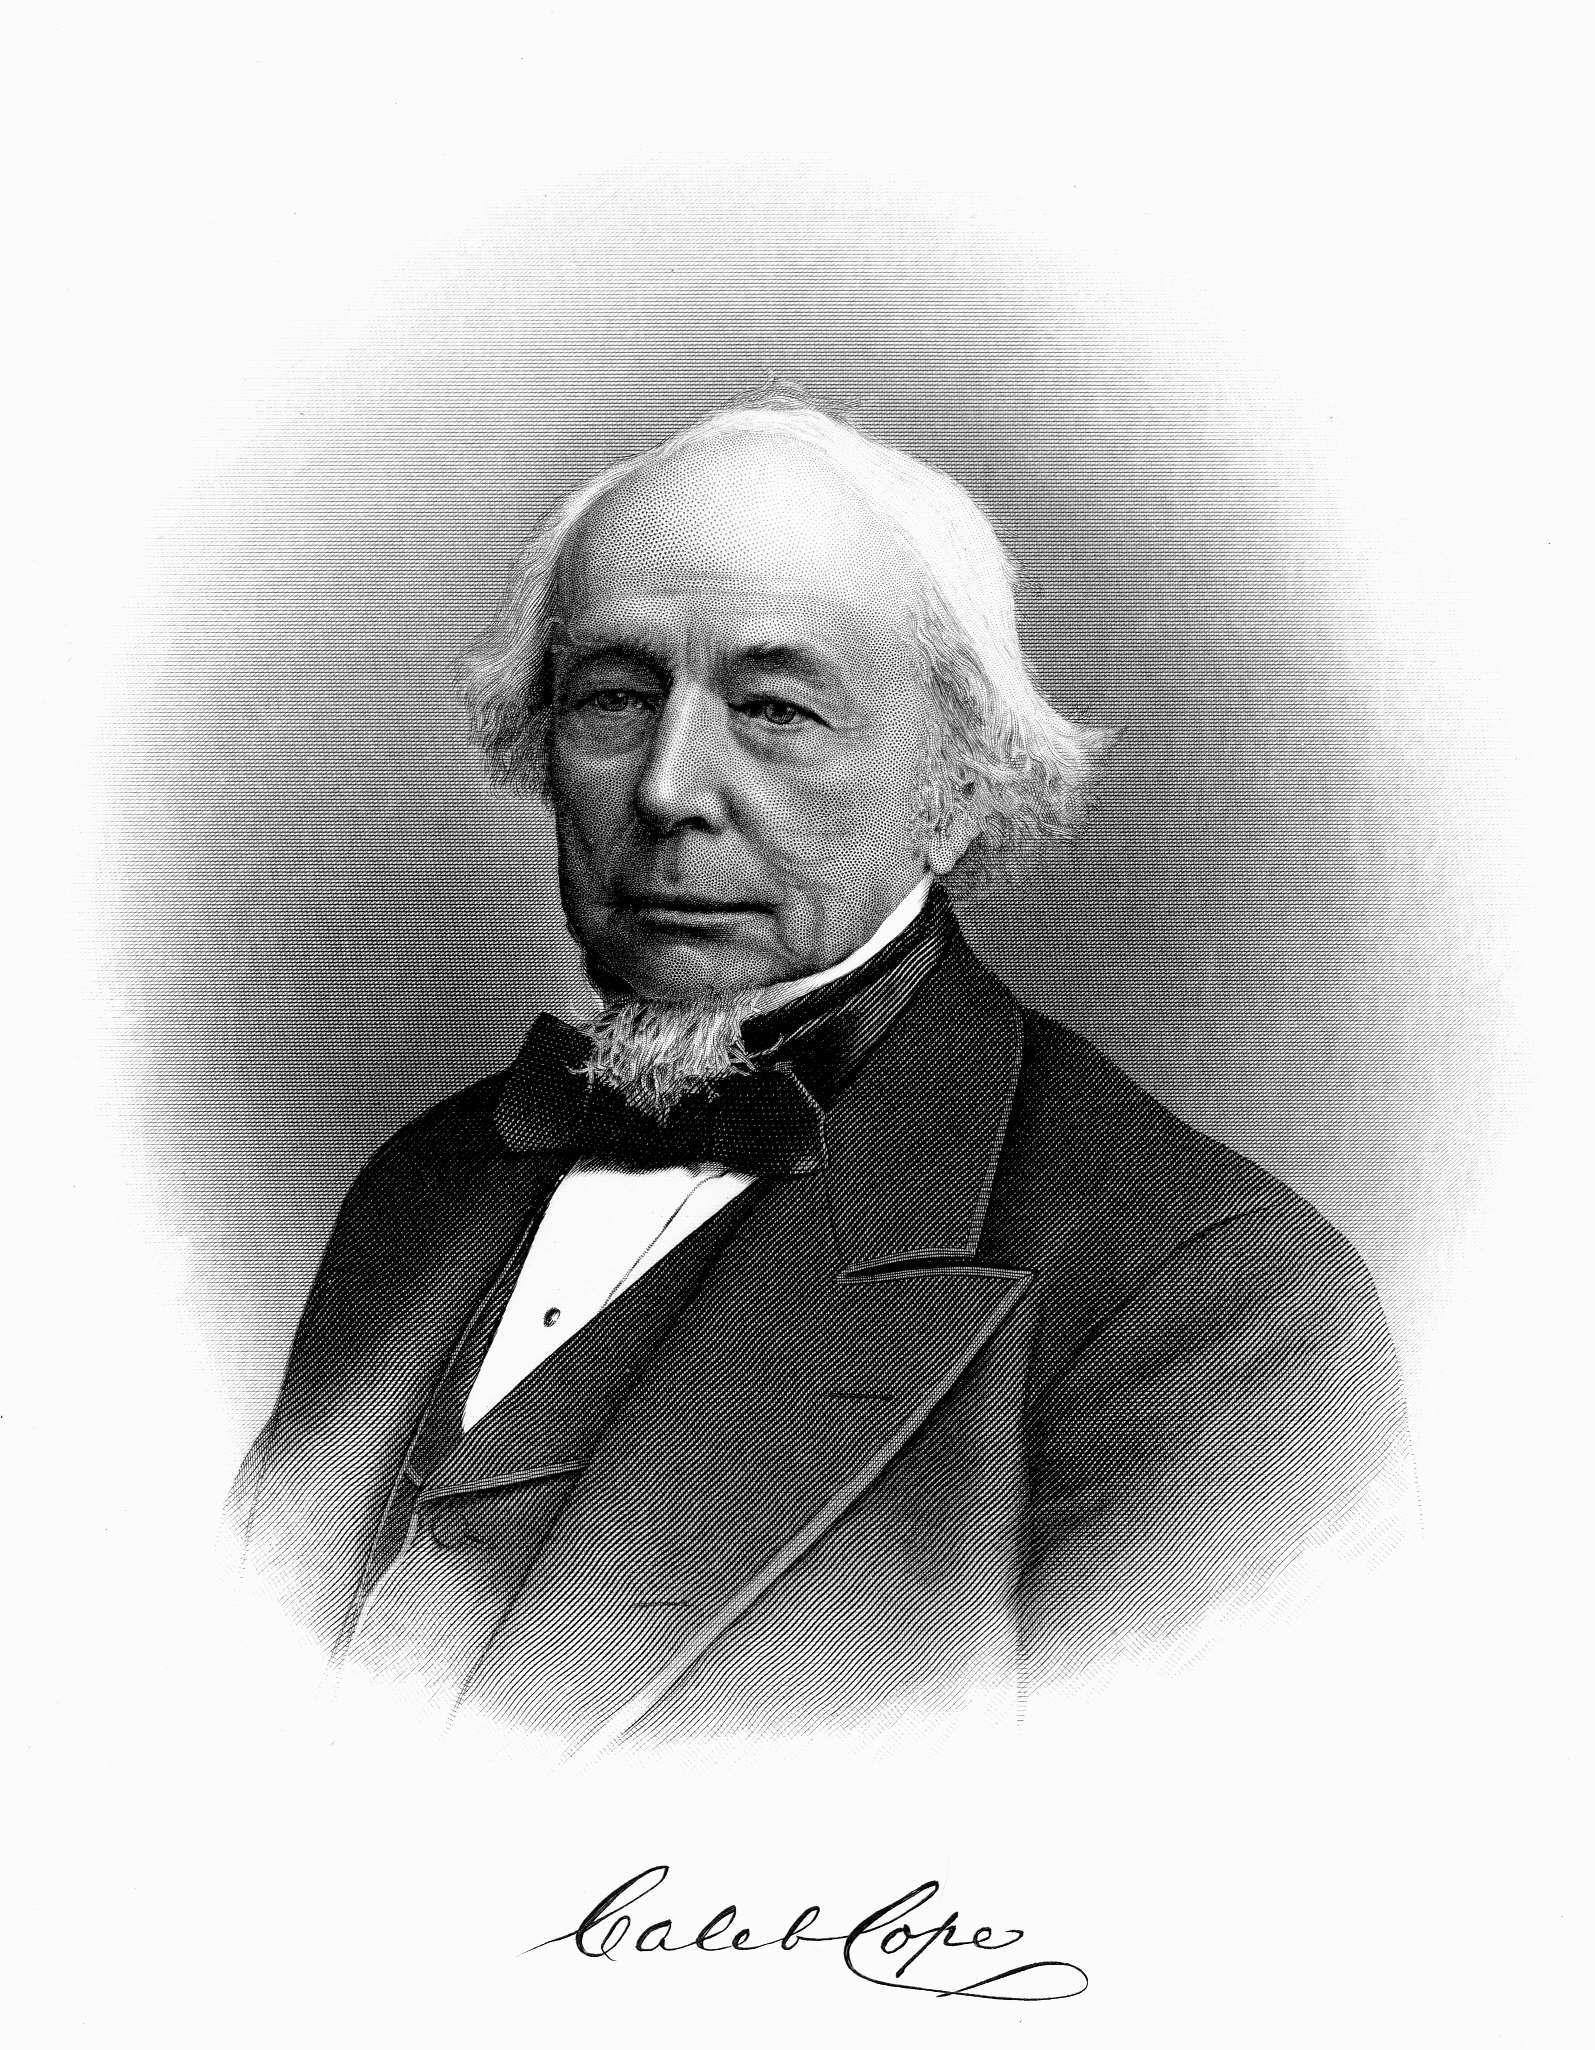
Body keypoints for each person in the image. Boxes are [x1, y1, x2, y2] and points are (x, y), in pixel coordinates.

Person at [230, 401, 1412, 1757]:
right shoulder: (423, 1185)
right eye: (615, 696)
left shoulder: (1221, 1300)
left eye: (775, 709)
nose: (668, 789)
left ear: (957, 785)